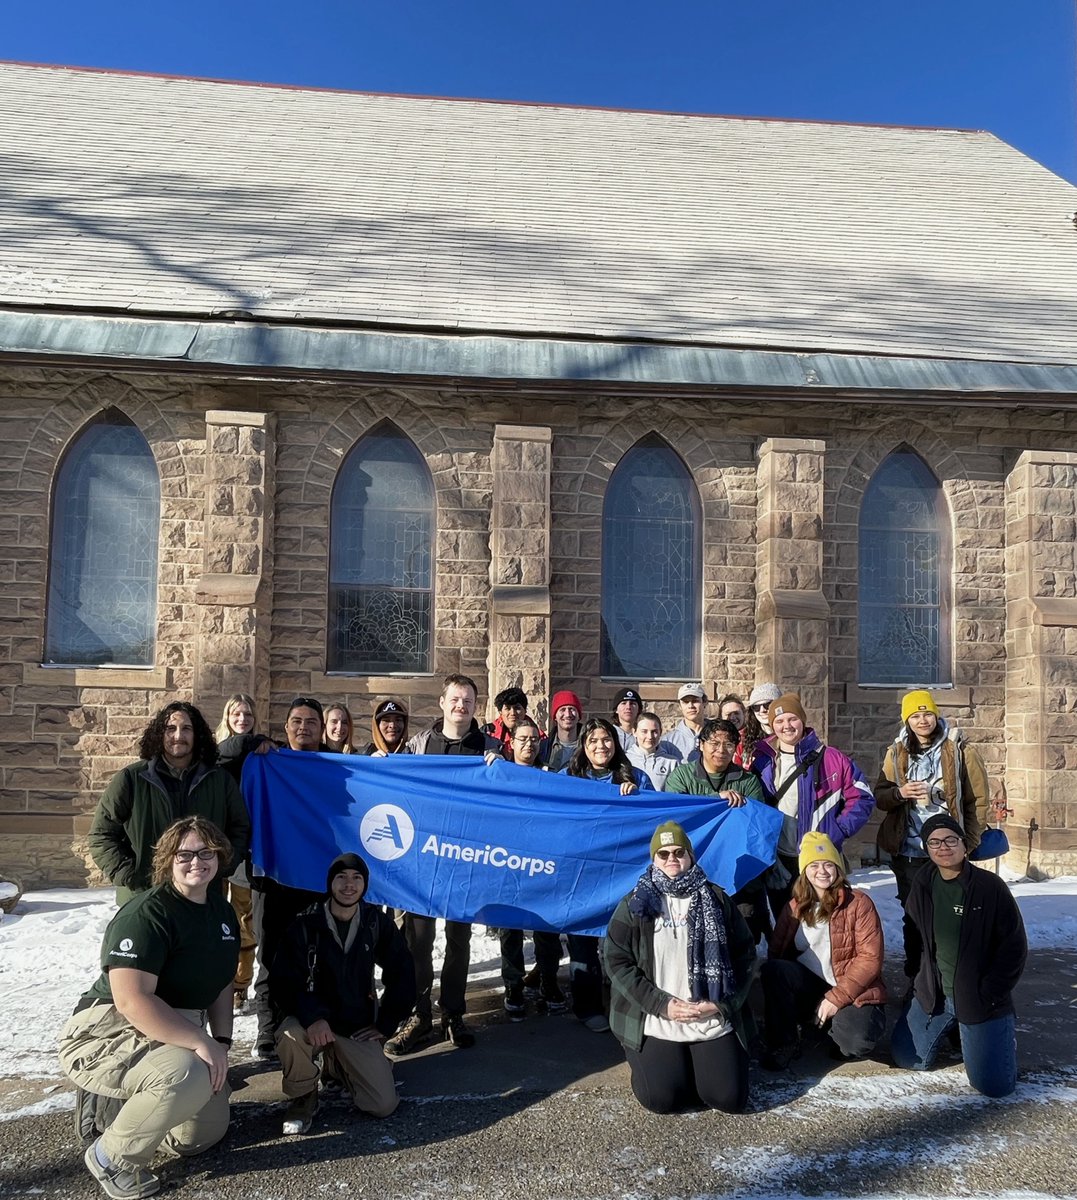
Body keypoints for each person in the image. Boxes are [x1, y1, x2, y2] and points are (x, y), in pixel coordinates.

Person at [59, 817, 239, 1200]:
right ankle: (111, 1156)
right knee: (188, 1074)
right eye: (185, 854)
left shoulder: (222, 913)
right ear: (168, 860)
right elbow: (131, 1000)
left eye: (206, 852)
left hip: (175, 1025)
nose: (196, 862)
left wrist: (221, 1040)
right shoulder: (147, 914)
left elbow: (223, 981)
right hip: (110, 1027)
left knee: (202, 1135)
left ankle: (139, 1110)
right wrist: (199, 1043)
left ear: (219, 856)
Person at [603, 821, 756, 1114]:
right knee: (662, 1100)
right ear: (653, 859)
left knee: (728, 1099)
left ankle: (700, 1065)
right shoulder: (637, 904)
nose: (671, 859)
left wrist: (720, 1003)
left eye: (679, 852)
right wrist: (661, 1005)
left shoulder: (717, 899)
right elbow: (616, 959)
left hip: (708, 1014)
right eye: (663, 854)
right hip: (658, 1016)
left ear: (690, 856)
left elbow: (745, 955)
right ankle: (655, 1058)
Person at [386, 674, 501, 1055]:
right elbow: (394, 787)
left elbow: (508, 799)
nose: (461, 706)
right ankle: (418, 1016)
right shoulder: (419, 746)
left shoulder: (489, 747)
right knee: (417, 942)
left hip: (466, 860)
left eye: (468, 700)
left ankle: (453, 1012)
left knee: (459, 939)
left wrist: (500, 768)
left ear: (475, 705)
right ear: (442, 702)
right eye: (455, 698)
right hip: (422, 861)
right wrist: (382, 765)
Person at [269, 852, 415, 1135]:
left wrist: (385, 1023)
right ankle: (304, 1096)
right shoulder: (306, 923)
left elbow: (403, 971)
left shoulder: (375, 922)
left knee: (382, 1104)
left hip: (354, 1024)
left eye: (357, 878)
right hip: (312, 1024)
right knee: (289, 1035)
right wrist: (313, 1017)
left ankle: (337, 1067)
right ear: (329, 883)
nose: (349, 885)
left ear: (365, 884)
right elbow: (283, 982)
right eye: (341, 878)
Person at [222, 695, 329, 1059]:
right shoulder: (267, 760)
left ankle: (316, 1020)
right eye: (296, 721)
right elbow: (218, 758)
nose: (304, 727)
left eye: (311, 721)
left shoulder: (335, 766)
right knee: (271, 952)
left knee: (319, 952)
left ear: (321, 727)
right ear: (286, 728)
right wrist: (251, 741)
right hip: (273, 874)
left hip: (319, 875)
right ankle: (268, 1028)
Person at [891, 814, 1027, 1098]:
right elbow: (912, 929)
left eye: (951, 840)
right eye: (935, 842)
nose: (944, 847)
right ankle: (952, 1027)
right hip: (936, 993)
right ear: (927, 848)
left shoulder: (990, 887)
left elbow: (1013, 948)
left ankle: (997, 1034)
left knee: (993, 1087)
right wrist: (916, 976)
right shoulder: (924, 882)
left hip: (979, 996)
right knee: (907, 1058)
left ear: (964, 846)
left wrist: (991, 992)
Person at [88, 702, 250, 906]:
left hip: (203, 896)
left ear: (197, 734)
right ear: (159, 734)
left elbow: (240, 827)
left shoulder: (220, 780)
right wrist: (129, 874)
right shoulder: (132, 779)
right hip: (145, 899)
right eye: (170, 728)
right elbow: (101, 834)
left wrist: (223, 866)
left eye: (186, 729)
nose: (178, 736)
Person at [875, 689, 990, 977]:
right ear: (907, 720)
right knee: (914, 917)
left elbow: (978, 800)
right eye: (915, 715)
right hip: (910, 850)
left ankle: (950, 978)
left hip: (949, 850)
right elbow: (880, 796)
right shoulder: (896, 752)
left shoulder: (961, 750)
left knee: (950, 917)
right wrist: (900, 793)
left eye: (927, 713)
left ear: (936, 714)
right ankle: (917, 978)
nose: (923, 720)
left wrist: (969, 842)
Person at [760, 832, 887, 1070]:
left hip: (851, 987)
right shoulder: (794, 907)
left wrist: (835, 998)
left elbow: (870, 959)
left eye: (829, 864)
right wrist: (783, 1007)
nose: (822, 871)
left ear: (838, 868)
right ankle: (785, 1042)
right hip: (810, 984)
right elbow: (777, 952)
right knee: (774, 970)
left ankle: (833, 1026)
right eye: (814, 865)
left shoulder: (859, 903)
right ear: (804, 871)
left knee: (855, 1043)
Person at [561, 717, 654, 1031]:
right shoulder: (569, 778)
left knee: (625, 940)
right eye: (593, 741)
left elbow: (659, 814)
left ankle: (628, 1002)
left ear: (616, 743)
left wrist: (637, 797)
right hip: (582, 875)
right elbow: (538, 798)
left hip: (623, 875)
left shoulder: (634, 777)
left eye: (606, 740)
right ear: (583, 746)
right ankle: (587, 1006)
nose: (601, 747)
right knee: (582, 941)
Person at [753, 693, 875, 917]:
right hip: (778, 856)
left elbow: (862, 797)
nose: (786, 726)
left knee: (821, 921)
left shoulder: (833, 759)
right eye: (779, 721)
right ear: (772, 725)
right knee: (786, 922)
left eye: (792, 719)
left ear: (803, 720)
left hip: (818, 857)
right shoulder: (762, 760)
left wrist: (837, 831)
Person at [665, 718, 771, 942]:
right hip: (691, 873)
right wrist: (716, 800)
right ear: (701, 744)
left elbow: (756, 827)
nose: (721, 750)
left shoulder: (748, 781)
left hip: (738, 877)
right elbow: (675, 818)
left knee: (742, 938)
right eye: (714, 743)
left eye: (728, 744)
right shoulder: (681, 776)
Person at [498, 716, 567, 1018]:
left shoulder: (550, 776)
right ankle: (513, 984)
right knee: (509, 928)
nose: (528, 744)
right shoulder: (500, 773)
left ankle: (548, 982)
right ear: (511, 742)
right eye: (522, 739)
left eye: (533, 739)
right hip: (506, 860)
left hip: (542, 861)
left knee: (546, 928)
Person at [215, 694, 260, 1012]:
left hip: (246, 849)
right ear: (227, 717)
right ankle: (214, 982)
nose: (242, 718)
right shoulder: (214, 753)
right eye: (236, 713)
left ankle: (240, 985)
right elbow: (226, 751)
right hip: (215, 848)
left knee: (245, 919)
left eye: (247, 713)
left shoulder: (260, 754)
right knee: (215, 918)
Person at [483, 686, 542, 758]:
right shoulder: (486, 734)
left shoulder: (540, 738)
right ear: (500, 712)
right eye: (507, 708)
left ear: (525, 710)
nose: (513, 713)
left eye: (517, 708)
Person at [627, 711, 680, 790]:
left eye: (654, 732)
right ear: (634, 732)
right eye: (644, 731)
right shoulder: (625, 760)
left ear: (660, 732)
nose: (650, 736)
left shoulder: (672, 763)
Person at [736, 682, 782, 769]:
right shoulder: (742, 738)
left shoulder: (790, 735)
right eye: (756, 707)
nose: (762, 710)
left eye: (767, 705)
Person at [664, 683, 707, 763]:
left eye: (695, 701)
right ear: (680, 706)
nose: (690, 706)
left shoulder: (716, 733)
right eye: (685, 702)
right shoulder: (669, 741)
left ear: (704, 702)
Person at [542, 689, 583, 773]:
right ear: (555, 717)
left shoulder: (589, 746)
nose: (568, 714)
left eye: (572, 709)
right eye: (562, 710)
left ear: (579, 715)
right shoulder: (543, 748)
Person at [611, 686, 643, 751]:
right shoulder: (609, 733)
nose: (628, 707)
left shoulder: (644, 734)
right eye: (623, 703)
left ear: (639, 710)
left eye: (632, 703)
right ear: (616, 710)